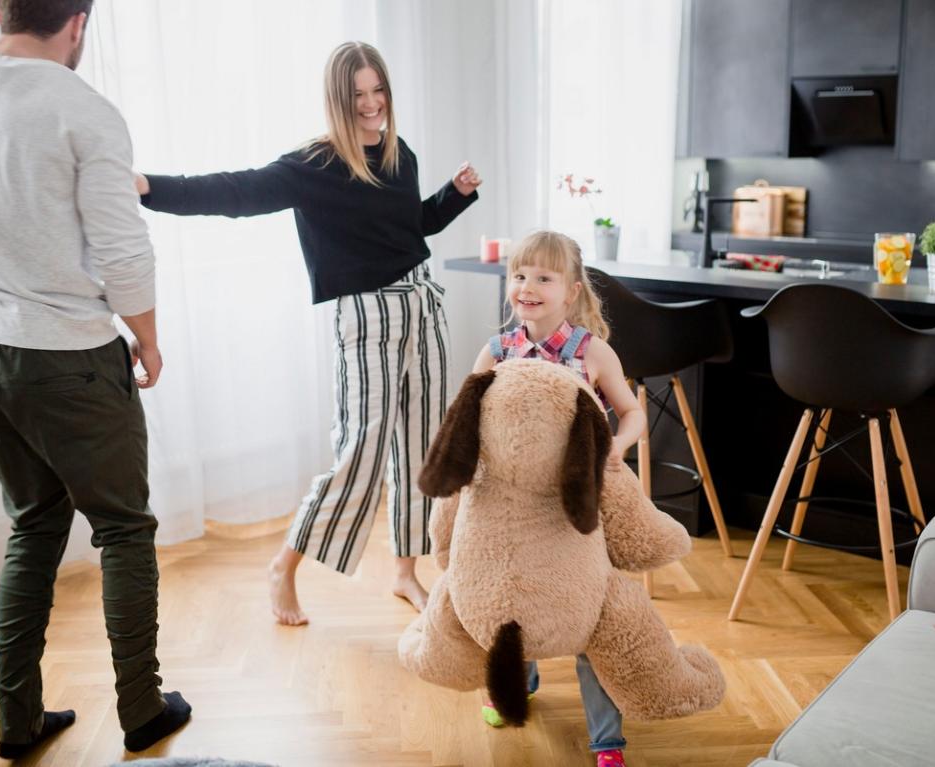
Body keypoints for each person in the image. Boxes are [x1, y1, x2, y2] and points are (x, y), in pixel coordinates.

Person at [136, 41, 480, 624]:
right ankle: (285, 566)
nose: (371, 104)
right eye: (358, 94)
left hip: (423, 308)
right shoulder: (315, 164)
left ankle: (405, 571)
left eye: (378, 90)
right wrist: (150, 186)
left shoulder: (400, 153)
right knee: (360, 452)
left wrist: (455, 195)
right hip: (367, 319)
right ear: (337, 99)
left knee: (421, 445)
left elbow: (409, 228)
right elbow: (234, 191)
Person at [0, 0, 191, 758]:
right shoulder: (84, 108)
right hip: (68, 356)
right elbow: (122, 250)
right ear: (78, 22)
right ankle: (142, 708)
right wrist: (148, 340)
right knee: (124, 527)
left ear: (1, 8)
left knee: (33, 525)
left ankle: (17, 722)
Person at [469, 230, 646, 767]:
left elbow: (631, 412)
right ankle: (516, 686)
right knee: (513, 600)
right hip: (514, 508)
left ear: (571, 291)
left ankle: (607, 739)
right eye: (519, 275)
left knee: (592, 616)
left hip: (576, 509)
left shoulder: (592, 353)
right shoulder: (496, 351)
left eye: (543, 278)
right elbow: (468, 417)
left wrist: (619, 445)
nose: (527, 287)